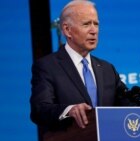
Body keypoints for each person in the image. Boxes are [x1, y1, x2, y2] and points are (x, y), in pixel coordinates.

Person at [30, 0, 132, 137]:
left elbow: (128, 103)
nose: (94, 30)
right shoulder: (48, 66)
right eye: (86, 24)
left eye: (96, 24)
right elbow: (39, 110)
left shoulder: (107, 69)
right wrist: (69, 110)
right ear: (67, 30)